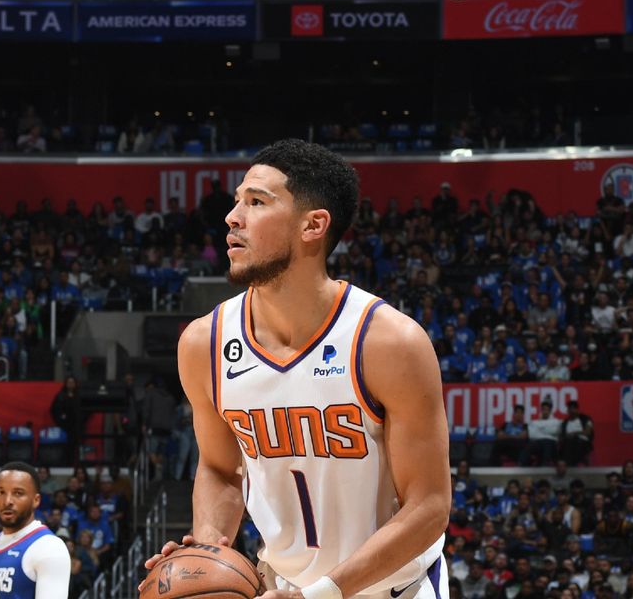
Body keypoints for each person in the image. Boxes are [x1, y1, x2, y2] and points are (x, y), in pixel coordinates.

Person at [141, 139, 451, 599]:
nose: (232, 217)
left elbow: (428, 506)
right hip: (280, 587)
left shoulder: (388, 342)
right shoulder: (203, 344)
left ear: (313, 225)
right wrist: (208, 547)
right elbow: (221, 470)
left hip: (393, 590)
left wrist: (321, 594)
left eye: (256, 202)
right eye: (236, 201)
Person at [0, 462, 71, 597]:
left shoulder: (49, 547)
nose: (7, 501)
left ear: (36, 500)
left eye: (18, 493)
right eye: (1, 492)